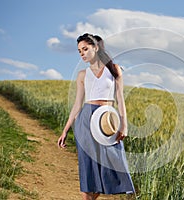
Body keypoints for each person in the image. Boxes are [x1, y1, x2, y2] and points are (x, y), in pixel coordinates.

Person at [57, 33, 135, 200]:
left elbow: (120, 100)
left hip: (107, 120)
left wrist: (124, 126)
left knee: (113, 164)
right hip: (85, 120)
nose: (82, 54)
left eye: (85, 49)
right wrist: (65, 130)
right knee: (87, 167)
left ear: (96, 47)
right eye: (79, 51)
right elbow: (77, 105)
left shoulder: (114, 69)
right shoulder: (82, 75)